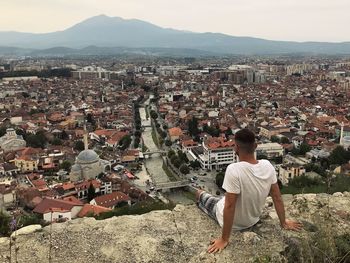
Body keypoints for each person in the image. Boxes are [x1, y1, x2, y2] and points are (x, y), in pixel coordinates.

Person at [196, 128, 302, 254]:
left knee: (200, 194)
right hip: (252, 220)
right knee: (222, 198)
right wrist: (283, 222)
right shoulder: (268, 166)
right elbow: (277, 197)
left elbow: (229, 206)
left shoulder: (233, 169)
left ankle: (198, 197)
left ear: (236, 148)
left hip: (230, 220)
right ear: (255, 146)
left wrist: (224, 239)